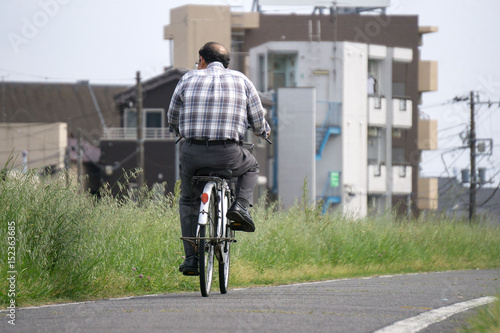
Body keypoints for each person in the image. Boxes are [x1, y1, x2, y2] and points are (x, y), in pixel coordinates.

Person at [167, 42, 271, 275]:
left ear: (202, 60)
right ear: (226, 63)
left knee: (188, 201)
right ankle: (241, 207)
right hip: (228, 154)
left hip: (192, 154)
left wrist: (177, 130)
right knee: (252, 166)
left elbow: (172, 115)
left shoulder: (187, 79)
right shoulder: (242, 81)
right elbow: (256, 119)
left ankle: (192, 259)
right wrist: (264, 131)